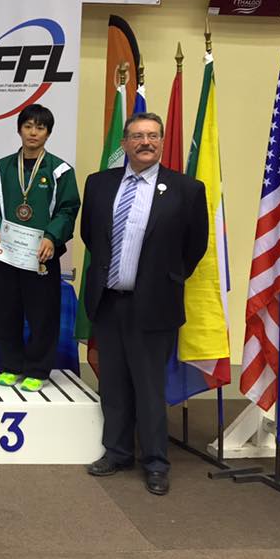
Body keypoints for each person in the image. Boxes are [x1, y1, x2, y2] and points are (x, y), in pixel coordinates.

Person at [79, 112, 208, 496]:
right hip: (109, 302)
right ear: (124, 144)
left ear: (162, 142)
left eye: (152, 136)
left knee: (150, 388)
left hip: (154, 305)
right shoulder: (99, 184)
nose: (145, 142)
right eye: (137, 136)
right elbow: (90, 236)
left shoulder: (186, 189)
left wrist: (164, 278)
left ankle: (155, 462)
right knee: (113, 384)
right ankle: (117, 452)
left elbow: (195, 246)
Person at [0, 104, 79, 392]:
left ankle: (37, 369)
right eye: (28, 126)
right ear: (19, 129)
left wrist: (52, 236)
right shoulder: (0, 169)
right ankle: (11, 365)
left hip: (42, 256)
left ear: (48, 133)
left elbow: (68, 209)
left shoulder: (60, 170)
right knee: (4, 312)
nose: (33, 132)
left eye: (40, 127)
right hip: (8, 255)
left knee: (42, 314)